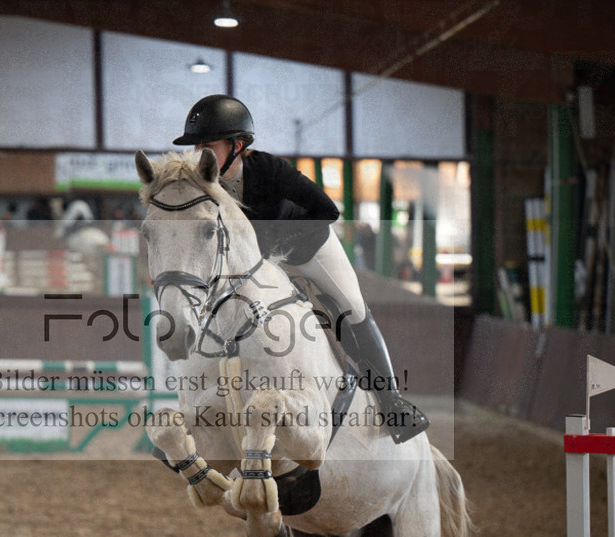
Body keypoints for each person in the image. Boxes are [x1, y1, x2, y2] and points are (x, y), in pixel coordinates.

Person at [172, 94, 428, 444]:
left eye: (207, 145)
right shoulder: (201, 184)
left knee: (352, 309)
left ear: (237, 145)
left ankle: (392, 401)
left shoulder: (270, 170)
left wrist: (282, 241)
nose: (198, 153)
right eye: (196, 145)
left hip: (307, 250)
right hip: (254, 265)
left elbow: (327, 210)